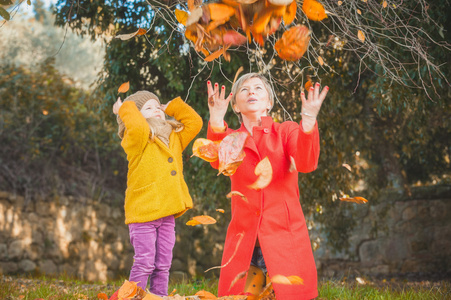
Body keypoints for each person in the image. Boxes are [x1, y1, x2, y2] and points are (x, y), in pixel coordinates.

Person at [206, 73, 328, 300]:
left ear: (270, 102)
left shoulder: (287, 131)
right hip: (245, 245)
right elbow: (218, 160)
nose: (251, 92)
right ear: (234, 105)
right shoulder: (232, 139)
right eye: (244, 89)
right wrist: (215, 120)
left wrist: (308, 122)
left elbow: (306, 162)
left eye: (258, 88)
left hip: (284, 241)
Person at [112, 91, 203, 296]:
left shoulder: (174, 137)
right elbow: (137, 126)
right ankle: (132, 297)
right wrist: (125, 109)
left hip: (167, 213)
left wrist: (171, 106)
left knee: (163, 265)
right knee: (144, 263)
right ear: (134, 115)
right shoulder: (135, 138)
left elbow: (195, 122)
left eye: (157, 105)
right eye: (148, 108)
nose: (156, 110)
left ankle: (158, 297)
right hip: (144, 212)